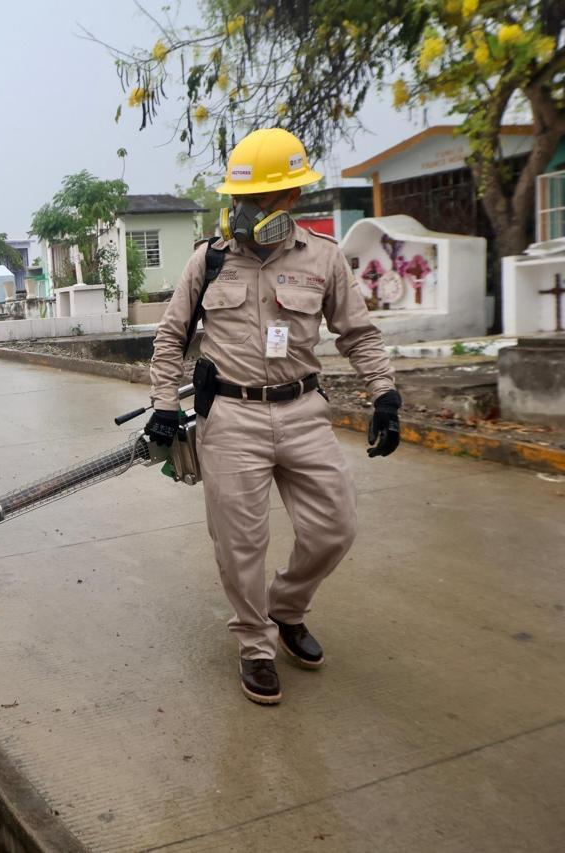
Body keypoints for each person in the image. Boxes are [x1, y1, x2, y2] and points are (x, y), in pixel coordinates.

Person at [145, 128, 401, 705]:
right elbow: (170, 339)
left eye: (262, 200)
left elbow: (357, 333)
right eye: (242, 200)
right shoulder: (207, 263)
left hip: (304, 413)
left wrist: (384, 394)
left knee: (334, 528)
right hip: (232, 418)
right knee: (240, 543)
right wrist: (164, 406)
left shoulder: (323, 258)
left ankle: (286, 608)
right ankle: (256, 645)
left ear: (290, 200)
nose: (248, 212)